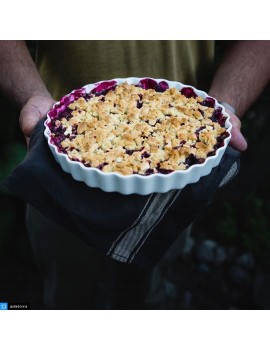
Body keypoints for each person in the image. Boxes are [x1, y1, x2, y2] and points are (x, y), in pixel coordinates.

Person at [0, 40, 269, 309]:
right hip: (58, 172)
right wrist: (31, 94)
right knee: (67, 293)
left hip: (174, 189)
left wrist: (225, 106)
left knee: (145, 294)